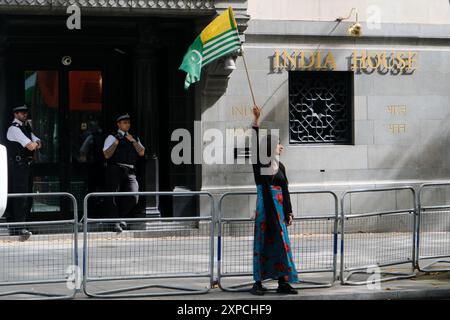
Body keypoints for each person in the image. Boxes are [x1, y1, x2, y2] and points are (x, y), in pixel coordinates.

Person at [249, 105, 299, 295]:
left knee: (282, 245)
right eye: (278, 143)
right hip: (264, 210)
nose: (281, 146)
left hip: (279, 212)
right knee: (262, 244)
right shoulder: (260, 164)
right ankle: (258, 283)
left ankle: (283, 282)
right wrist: (256, 120)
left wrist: (289, 212)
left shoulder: (282, 167)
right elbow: (254, 145)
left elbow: (285, 191)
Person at [102, 113, 145, 232]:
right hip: (115, 168)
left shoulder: (133, 137)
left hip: (130, 169)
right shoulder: (112, 137)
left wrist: (133, 141)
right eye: (125, 122)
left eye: (128, 123)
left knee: (133, 196)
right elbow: (106, 154)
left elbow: (141, 152)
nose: (127, 125)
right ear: (119, 124)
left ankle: (118, 217)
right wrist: (116, 142)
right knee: (112, 196)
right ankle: (114, 222)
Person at [5, 104, 41, 240]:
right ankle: (19, 227)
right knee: (21, 197)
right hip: (18, 166)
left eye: (25, 112)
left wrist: (36, 143)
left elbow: (39, 141)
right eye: (21, 112)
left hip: (26, 166)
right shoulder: (14, 129)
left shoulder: (26, 128)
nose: (24, 114)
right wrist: (35, 143)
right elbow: (31, 145)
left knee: (28, 197)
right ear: (15, 114)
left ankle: (24, 225)